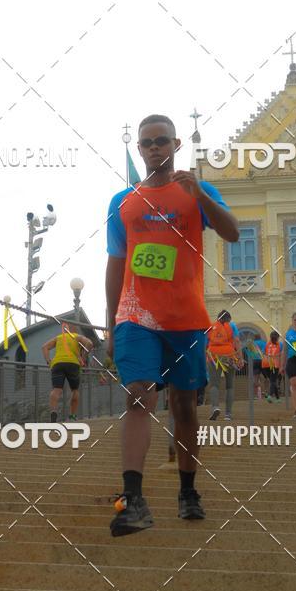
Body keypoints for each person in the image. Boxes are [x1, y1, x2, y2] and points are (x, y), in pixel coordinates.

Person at [106, 113, 240, 536]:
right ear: (140, 149)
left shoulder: (196, 192)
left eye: (161, 141)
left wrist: (199, 193)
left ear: (175, 144)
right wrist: (112, 323)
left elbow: (233, 233)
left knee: (184, 407)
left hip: (184, 318)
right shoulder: (122, 202)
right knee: (138, 397)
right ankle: (134, 500)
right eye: (146, 143)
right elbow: (116, 263)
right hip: (136, 315)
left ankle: (188, 489)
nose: (153, 149)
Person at [42, 323, 93, 422]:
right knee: (75, 390)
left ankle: (53, 412)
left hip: (57, 364)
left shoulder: (59, 337)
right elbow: (89, 343)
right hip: (72, 364)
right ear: (75, 330)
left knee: (56, 390)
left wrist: (48, 361)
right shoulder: (77, 337)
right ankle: (72, 416)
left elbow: (44, 347)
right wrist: (83, 357)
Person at [207, 310, 243, 421]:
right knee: (230, 385)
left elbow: (205, 342)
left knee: (214, 384)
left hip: (213, 355)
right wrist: (240, 358)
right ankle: (228, 414)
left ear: (218, 318)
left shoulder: (211, 326)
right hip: (229, 354)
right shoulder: (232, 326)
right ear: (228, 319)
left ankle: (215, 407)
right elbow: (237, 341)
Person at [262, 331, 282, 402]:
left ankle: (278, 398)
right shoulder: (280, 344)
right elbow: (282, 355)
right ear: (278, 337)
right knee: (273, 381)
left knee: (272, 381)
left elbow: (263, 353)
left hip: (265, 364)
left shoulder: (266, 344)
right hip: (274, 364)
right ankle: (270, 395)